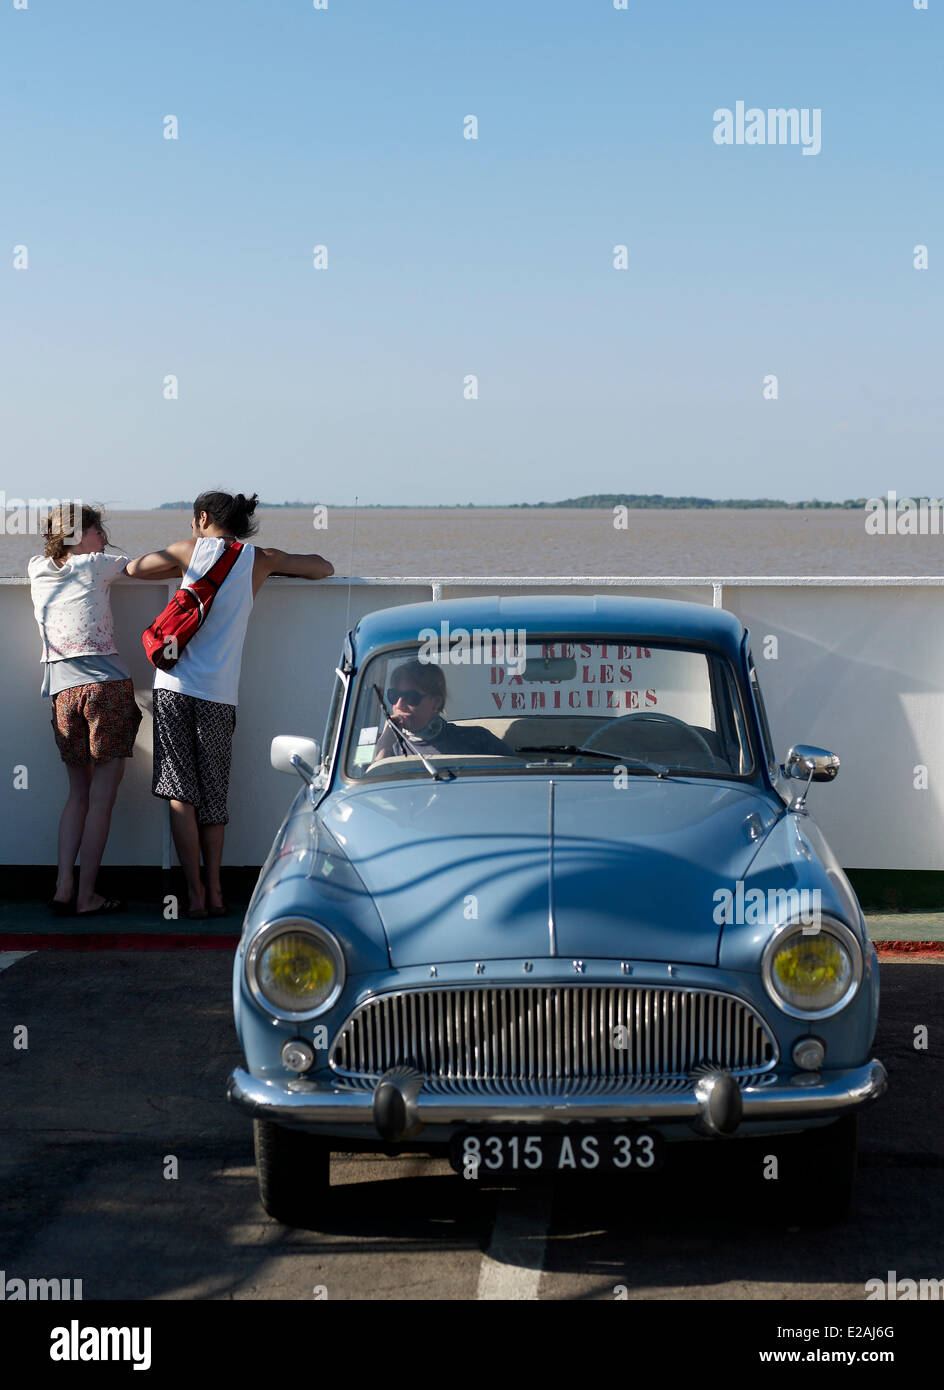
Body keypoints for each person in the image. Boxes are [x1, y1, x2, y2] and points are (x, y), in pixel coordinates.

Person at [126, 490, 333, 918]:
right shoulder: (261, 559)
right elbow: (321, 568)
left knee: (181, 793)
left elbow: (134, 568)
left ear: (203, 518)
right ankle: (219, 891)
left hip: (174, 686)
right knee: (214, 795)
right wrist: (277, 567)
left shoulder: (188, 551)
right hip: (221, 693)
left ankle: (195, 894)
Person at [28, 504, 142, 915]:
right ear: (79, 536)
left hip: (61, 695)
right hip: (105, 689)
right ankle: (88, 895)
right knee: (101, 799)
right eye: (98, 531)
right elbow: (145, 567)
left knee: (77, 795)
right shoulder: (97, 564)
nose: (104, 539)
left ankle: (63, 887)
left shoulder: (36, 568)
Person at [373, 659, 514, 760]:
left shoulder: (476, 740)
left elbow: (519, 777)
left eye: (411, 697)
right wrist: (385, 742)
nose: (399, 705)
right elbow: (374, 789)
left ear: (436, 702)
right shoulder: (391, 748)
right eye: (394, 696)